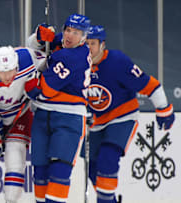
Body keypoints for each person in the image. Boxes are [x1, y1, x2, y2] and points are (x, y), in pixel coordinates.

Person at [81, 25, 175, 203]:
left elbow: (149, 84)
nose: (89, 48)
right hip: (96, 123)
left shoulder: (117, 62)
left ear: (102, 45)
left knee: (108, 158)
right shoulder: (78, 63)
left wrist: (163, 108)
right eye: (85, 44)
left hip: (121, 117)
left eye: (92, 43)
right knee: (92, 170)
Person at [25, 13, 92, 203]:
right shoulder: (63, 43)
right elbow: (31, 47)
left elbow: (46, 90)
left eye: (76, 32)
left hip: (68, 118)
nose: (70, 36)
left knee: (59, 172)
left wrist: (33, 89)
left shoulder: (73, 56)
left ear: (84, 37)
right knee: (40, 171)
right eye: (68, 30)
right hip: (42, 115)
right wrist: (39, 37)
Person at [0, 45, 46, 203]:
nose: (7, 76)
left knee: (15, 160)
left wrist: (38, 83)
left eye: (11, 70)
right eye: (2, 72)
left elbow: (48, 59)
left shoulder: (27, 58)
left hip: (21, 114)